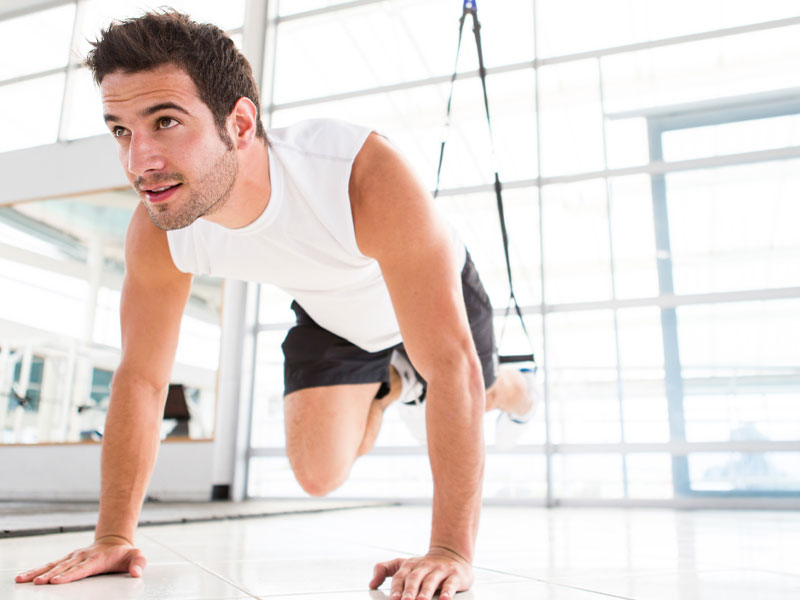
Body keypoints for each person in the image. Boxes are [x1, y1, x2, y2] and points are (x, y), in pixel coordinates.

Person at [14, 10, 536, 600]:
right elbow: (140, 379)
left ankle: (515, 387)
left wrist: (449, 552)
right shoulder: (161, 227)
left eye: (165, 121)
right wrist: (113, 533)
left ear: (238, 122)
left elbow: (449, 365)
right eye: (121, 131)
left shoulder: (359, 174)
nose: (139, 161)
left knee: (467, 390)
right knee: (318, 475)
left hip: (425, 295)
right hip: (334, 316)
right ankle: (391, 382)